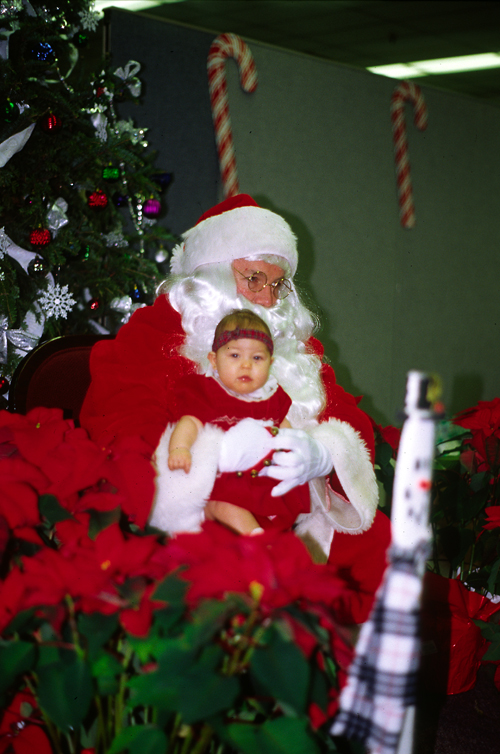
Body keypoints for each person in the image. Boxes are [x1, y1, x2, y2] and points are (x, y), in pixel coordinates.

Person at [80, 194, 390, 623]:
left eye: (278, 285)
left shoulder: (291, 343)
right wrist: (217, 458)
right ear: (212, 274)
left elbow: (349, 421)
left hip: (294, 505)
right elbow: (121, 424)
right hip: (200, 510)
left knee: (384, 549)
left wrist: (322, 452)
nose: (267, 300)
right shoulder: (153, 333)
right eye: (255, 279)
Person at [165, 308, 310, 536]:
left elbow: (286, 433)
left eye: (257, 358)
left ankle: (269, 544)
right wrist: (180, 449)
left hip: (264, 483)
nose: (246, 365)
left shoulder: (272, 397)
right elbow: (189, 423)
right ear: (214, 360)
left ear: (270, 362)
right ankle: (258, 542)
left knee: (280, 518)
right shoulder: (207, 392)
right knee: (223, 505)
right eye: (235, 356)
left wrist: (297, 451)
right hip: (223, 485)